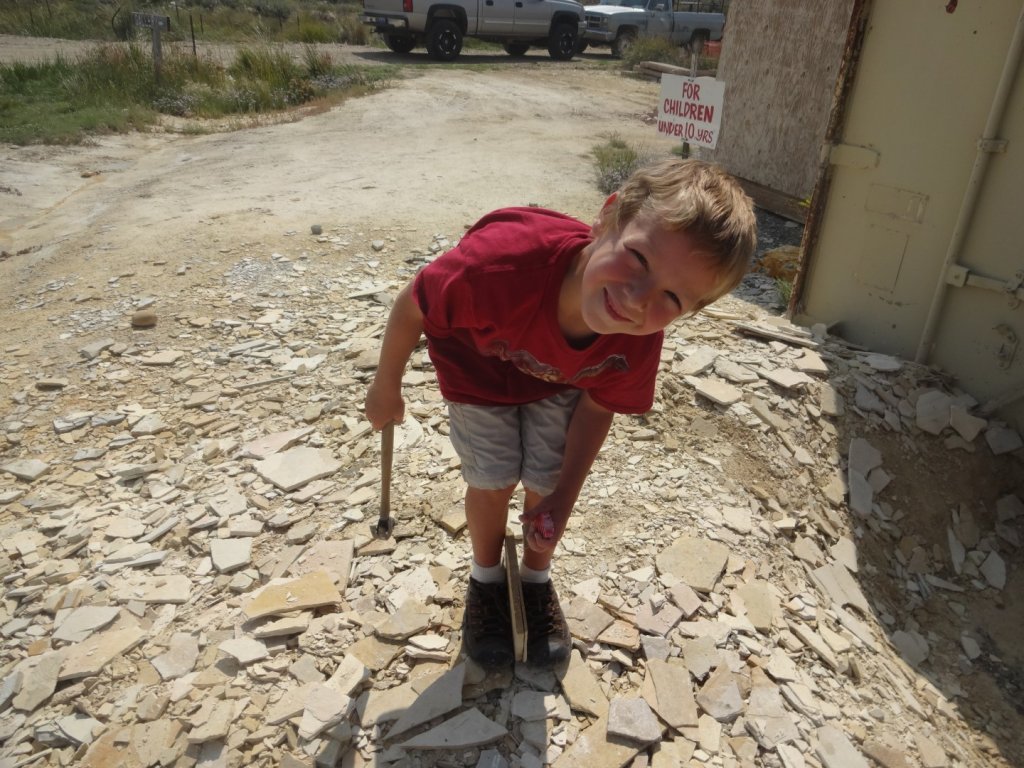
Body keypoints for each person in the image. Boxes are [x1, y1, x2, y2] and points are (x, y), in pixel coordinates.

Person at [364, 157, 757, 668]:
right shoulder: (499, 266)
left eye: (672, 297)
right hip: (476, 360)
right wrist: (386, 383)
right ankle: (485, 582)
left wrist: (565, 496)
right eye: (638, 258)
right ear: (609, 217)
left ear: (691, 311)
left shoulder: (634, 343)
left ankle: (534, 580)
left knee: (547, 480)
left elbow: (597, 406)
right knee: (492, 476)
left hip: (562, 375)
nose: (638, 300)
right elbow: (415, 302)